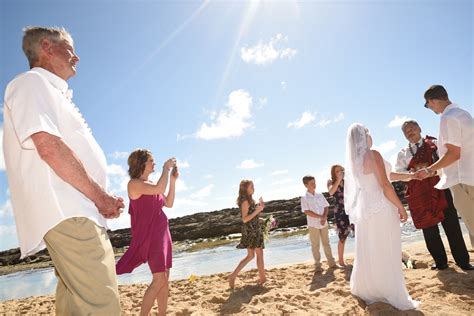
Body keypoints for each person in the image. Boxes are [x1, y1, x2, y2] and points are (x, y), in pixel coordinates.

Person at [3, 26, 123, 314]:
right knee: (102, 303)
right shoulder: (32, 83)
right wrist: (101, 197)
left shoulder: (48, 91)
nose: (77, 57)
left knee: (75, 304)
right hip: (69, 209)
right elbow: (49, 147)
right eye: (70, 49)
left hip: (76, 209)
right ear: (47, 47)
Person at [344, 123, 418, 311]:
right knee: (386, 246)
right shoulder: (373, 154)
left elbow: (388, 175)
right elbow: (385, 184)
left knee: (369, 248)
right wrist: (400, 206)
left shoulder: (354, 161)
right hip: (380, 206)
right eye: (369, 133)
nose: (371, 136)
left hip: (365, 209)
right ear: (364, 136)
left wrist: (411, 176)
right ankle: (387, 288)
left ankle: (368, 287)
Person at [392, 120, 472, 270]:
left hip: (441, 189)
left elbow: (447, 164)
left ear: (420, 128)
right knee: (429, 229)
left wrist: (432, 172)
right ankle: (441, 263)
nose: (409, 132)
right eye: (406, 131)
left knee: (452, 225)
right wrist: (411, 174)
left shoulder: (434, 143)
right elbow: (400, 173)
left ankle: (462, 261)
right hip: (419, 195)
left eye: (412, 128)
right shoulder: (402, 154)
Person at [116, 149, 177, 316]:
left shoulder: (151, 186)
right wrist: (166, 168)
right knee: (159, 280)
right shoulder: (134, 184)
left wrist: (172, 180)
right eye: (151, 160)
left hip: (164, 235)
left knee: (165, 279)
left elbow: (169, 203)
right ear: (142, 163)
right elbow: (159, 188)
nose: (154, 163)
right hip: (152, 238)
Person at [419, 85, 474, 237]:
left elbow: (453, 154)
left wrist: (429, 170)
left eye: (427, 104)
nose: (428, 107)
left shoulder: (448, 118)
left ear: (431, 101)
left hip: (462, 181)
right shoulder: (464, 114)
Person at [229, 180, 266, 288]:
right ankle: (262, 278)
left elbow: (252, 216)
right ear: (245, 188)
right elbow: (245, 219)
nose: (254, 188)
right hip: (251, 231)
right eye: (251, 186)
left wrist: (262, 218)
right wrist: (258, 210)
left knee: (250, 256)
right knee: (258, 254)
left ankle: (233, 275)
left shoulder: (250, 200)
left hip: (254, 229)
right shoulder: (245, 201)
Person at [301, 175, 336, 272]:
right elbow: (306, 211)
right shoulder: (304, 198)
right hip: (313, 225)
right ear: (306, 185)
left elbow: (326, 206)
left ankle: (332, 263)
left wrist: (324, 217)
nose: (314, 184)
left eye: (314, 182)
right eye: (312, 183)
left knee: (326, 243)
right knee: (315, 245)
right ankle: (317, 266)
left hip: (323, 223)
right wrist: (320, 217)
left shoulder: (320, 195)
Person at [327, 165, 354, 266]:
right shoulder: (331, 182)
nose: (339, 172)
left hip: (352, 209)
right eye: (337, 171)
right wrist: (338, 180)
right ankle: (341, 261)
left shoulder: (348, 180)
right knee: (343, 236)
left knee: (359, 233)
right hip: (340, 211)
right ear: (333, 173)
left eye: (341, 170)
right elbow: (331, 192)